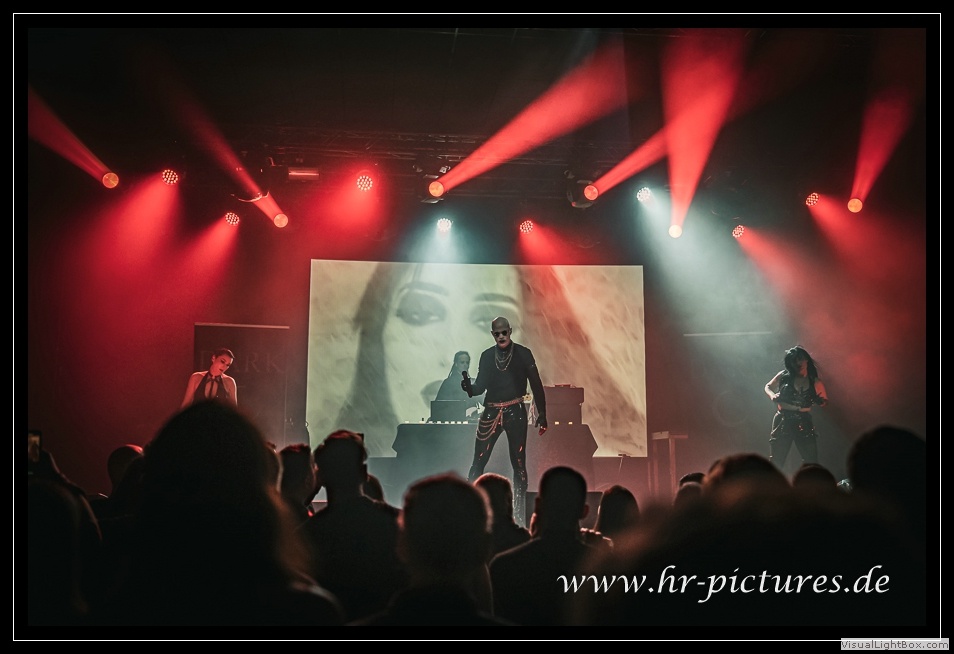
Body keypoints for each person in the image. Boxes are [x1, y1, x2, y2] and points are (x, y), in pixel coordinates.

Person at [462, 316, 547, 526]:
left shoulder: (523, 354)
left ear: (510, 331)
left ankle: (519, 517)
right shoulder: (487, 356)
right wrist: (470, 388)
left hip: (515, 411)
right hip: (491, 411)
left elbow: (536, 384)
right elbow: (480, 386)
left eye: (504, 332)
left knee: (519, 463)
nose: (501, 336)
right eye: (497, 333)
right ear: (493, 334)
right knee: (478, 461)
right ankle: (470, 513)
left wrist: (542, 413)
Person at [763, 345, 828, 471]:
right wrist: (772, 396)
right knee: (777, 460)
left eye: (800, 359)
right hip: (783, 419)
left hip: (803, 421)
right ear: (790, 363)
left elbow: (824, 401)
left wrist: (821, 401)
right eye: (794, 360)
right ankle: (772, 482)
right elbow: (768, 386)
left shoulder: (815, 381)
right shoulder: (783, 376)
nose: (798, 363)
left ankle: (811, 482)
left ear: (806, 360)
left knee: (811, 461)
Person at [433, 350, 484, 420]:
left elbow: (483, 401)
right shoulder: (448, 382)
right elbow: (439, 406)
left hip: (471, 420)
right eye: (462, 362)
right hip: (453, 420)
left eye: (467, 362)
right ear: (456, 364)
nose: (465, 365)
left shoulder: (473, 382)